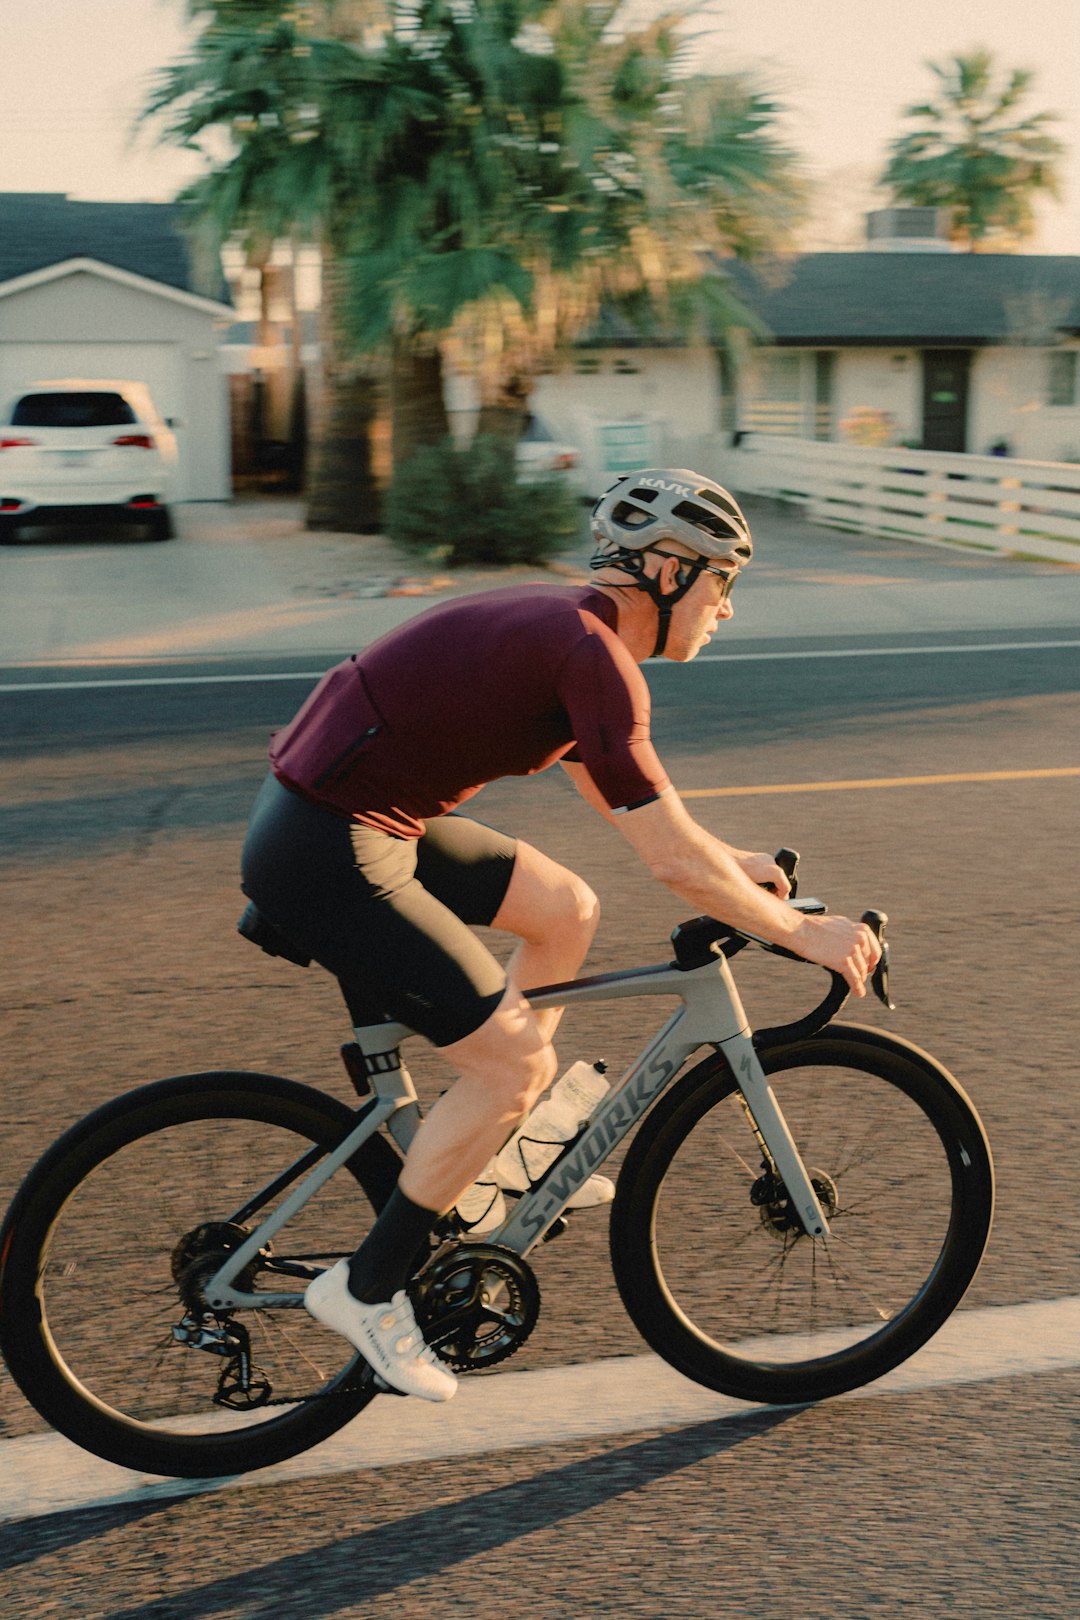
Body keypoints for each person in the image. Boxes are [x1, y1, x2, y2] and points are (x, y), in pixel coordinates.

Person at [240, 467, 881, 1403]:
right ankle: (367, 1289)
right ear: (667, 570)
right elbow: (666, 860)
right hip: (329, 848)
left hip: (349, 817)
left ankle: (493, 1154)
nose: (728, 609)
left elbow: (635, 804)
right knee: (513, 1068)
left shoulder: (574, 637)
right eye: (723, 582)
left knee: (565, 908)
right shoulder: (593, 656)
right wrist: (803, 934)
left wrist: (728, 861)